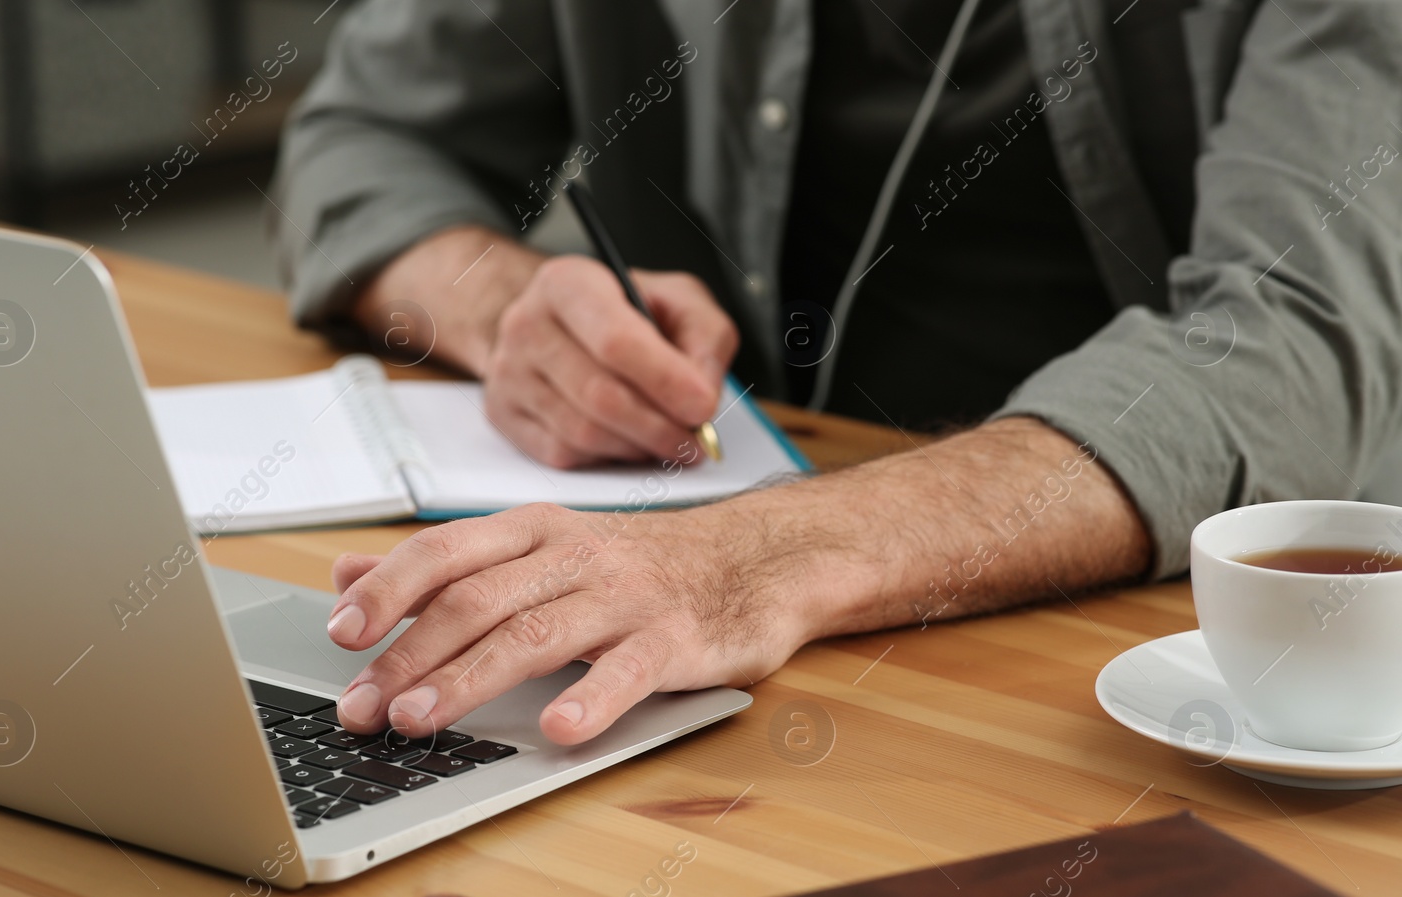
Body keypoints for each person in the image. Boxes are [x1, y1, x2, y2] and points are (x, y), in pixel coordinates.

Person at [269, 0, 1402, 745]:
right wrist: (505, 305)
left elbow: (1283, 341)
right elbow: (366, 135)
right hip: (734, 648)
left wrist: (753, 557)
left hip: (1165, 679)